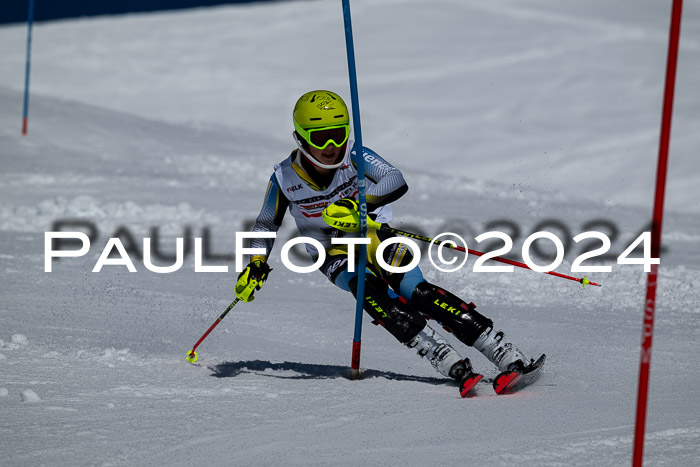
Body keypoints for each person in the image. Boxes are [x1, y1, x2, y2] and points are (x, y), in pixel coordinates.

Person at [236, 90, 536, 396]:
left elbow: (394, 178)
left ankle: (505, 352)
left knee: (416, 292)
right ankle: (446, 359)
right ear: (300, 138)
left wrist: (360, 204)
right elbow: (266, 223)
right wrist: (256, 263)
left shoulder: (354, 154)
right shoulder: (284, 178)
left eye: (338, 135)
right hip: (332, 254)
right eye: (321, 137)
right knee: (372, 295)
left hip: (373, 235)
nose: (331, 146)